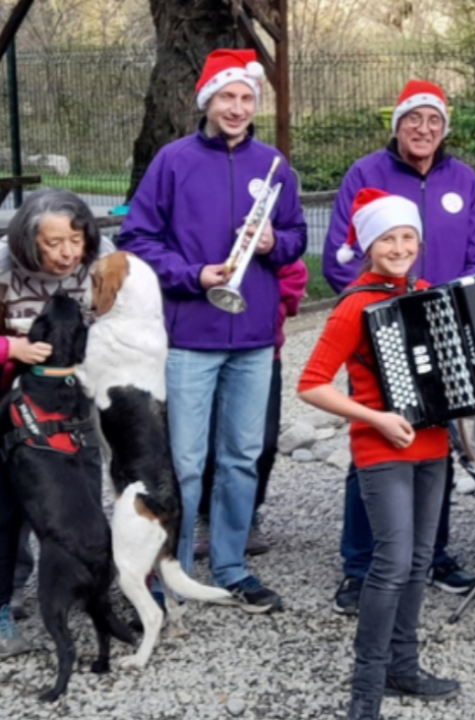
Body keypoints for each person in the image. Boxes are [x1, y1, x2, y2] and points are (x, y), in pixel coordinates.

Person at [119, 48, 304, 612]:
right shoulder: (172, 161)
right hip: (192, 333)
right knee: (186, 460)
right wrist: (191, 274)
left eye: (248, 98)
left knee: (243, 455)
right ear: (208, 101)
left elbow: (297, 236)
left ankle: (230, 565)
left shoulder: (274, 165)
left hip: (252, 337)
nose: (239, 107)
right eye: (228, 96)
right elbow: (137, 239)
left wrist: (276, 243)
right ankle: (171, 565)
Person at [323, 79, 475, 613]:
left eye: (434, 121)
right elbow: (338, 256)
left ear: (445, 128)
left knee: (436, 443)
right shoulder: (365, 174)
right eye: (413, 119)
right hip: (384, 335)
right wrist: (377, 303)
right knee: (373, 441)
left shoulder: (463, 179)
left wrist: (455, 309)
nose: (423, 130)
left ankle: (433, 553)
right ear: (397, 124)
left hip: (442, 334)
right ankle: (359, 564)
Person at [300, 189, 467, 720]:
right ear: (369, 245)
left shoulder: (425, 293)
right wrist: (374, 418)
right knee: (392, 563)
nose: (399, 247)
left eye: (408, 238)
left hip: (434, 445)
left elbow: (456, 365)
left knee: (419, 562)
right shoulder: (355, 304)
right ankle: (365, 691)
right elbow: (311, 384)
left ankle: (404, 667)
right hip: (382, 448)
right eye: (388, 238)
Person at [0, 189, 108, 656]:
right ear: (29, 242)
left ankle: (90, 591)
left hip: (75, 404)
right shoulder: (1, 267)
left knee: (81, 498)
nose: (67, 253)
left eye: (76, 240)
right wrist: (11, 350)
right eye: (54, 243)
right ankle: (5, 602)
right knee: (9, 509)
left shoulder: (101, 268)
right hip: (11, 401)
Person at [195, 259, 309, 558]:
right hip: (201, 343)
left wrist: (264, 313)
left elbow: (293, 275)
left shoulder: (264, 233)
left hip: (259, 349)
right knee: (204, 441)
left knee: (262, 440)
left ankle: (246, 513)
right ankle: (205, 514)